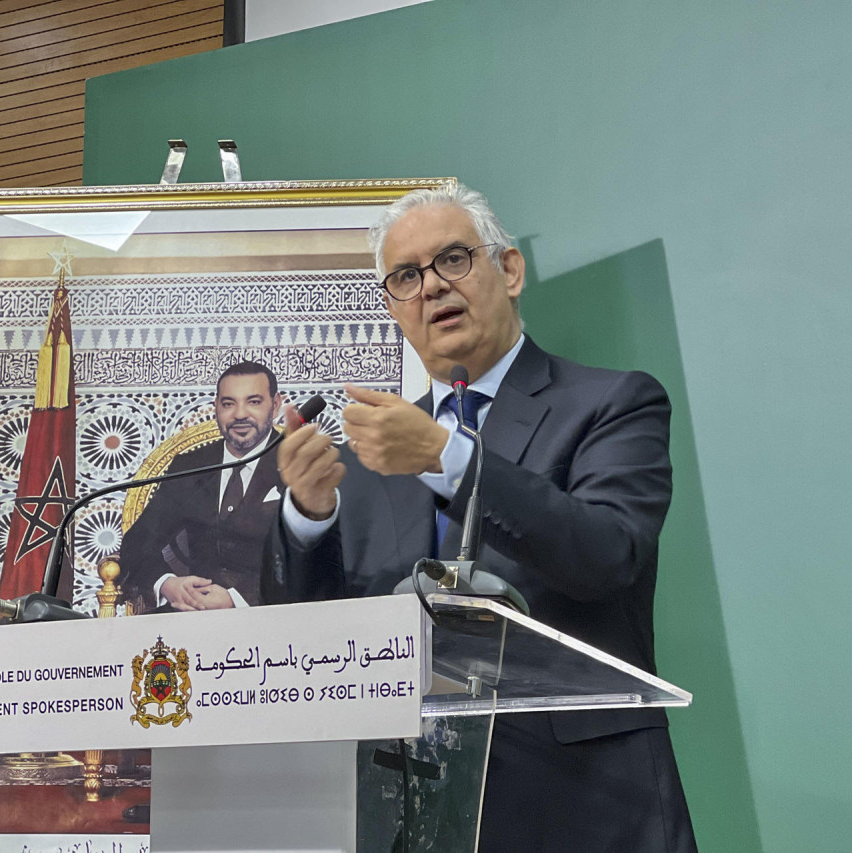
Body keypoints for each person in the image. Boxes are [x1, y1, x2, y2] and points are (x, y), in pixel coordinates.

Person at [263, 183, 697, 852]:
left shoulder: (613, 402)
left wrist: (450, 458)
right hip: (412, 808)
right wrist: (307, 516)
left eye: (453, 259)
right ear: (391, 306)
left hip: (584, 806)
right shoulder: (372, 453)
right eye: (407, 276)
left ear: (511, 270)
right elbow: (311, 646)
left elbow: (608, 555)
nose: (431, 287)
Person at [119, 361, 285, 612]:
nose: (240, 414)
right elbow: (137, 544)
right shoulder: (191, 466)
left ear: (275, 405)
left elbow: (319, 562)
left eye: (253, 401)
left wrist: (237, 599)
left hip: (276, 616)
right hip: (190, 615)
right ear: (216, 407)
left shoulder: (305, 464)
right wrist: (168, 584)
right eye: (229, 403)